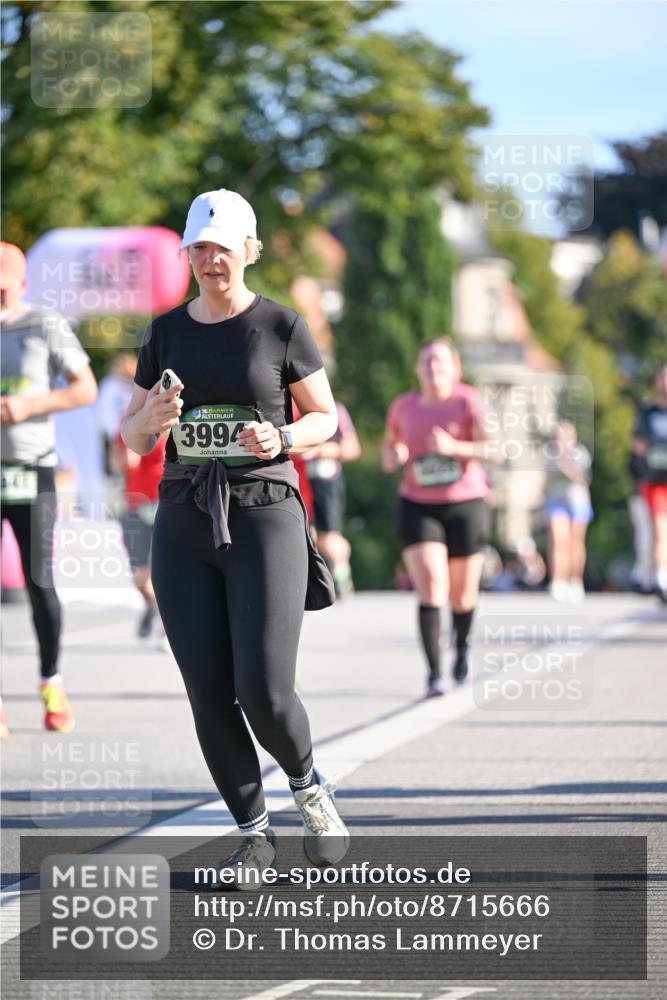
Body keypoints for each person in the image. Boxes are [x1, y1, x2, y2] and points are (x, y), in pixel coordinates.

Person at [120, 189, 349, 880]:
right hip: (184, 516)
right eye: (198, 247)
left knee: (264, 689)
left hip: (263, 513)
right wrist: (153, 416)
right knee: (207, 689)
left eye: (222, 247)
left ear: (248, 251)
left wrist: (279, 433)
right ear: (187, 254)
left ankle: (308, 786)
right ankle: (252, 834)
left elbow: (326, 419)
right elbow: (131, 438)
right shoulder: (163, 331)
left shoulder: (281, 326)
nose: (209, 259)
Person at [0, 241, 98, 736]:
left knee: (40, 583)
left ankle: (50, 683)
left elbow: (86, 388)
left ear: (21, 284)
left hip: (31, 468)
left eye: (3, 288)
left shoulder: (43, 324)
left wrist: (30, 406)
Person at [382, 337, 497, 698]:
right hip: (418, 502)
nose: (434, 369)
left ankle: (461, 646)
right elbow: (389, 450)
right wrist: (395, 454)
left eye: (440, 363)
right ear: (418, 369)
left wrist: (454, 448)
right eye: (427, 362)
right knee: (432, 583)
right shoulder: (403, 406)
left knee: (463, 596)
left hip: (466, 501)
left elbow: (494, 448)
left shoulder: (468, 401)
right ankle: (434, 673)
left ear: (455, 368)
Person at [111, 422, 167, 641]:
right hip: (136, 504)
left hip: (165, 502)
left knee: (165, 571)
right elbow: (121, 461)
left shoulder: (173, 423)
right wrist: (125, 455)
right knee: (139, 575)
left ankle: (166, 625)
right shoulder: (128, 424)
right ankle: (152, 607)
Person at [306, 400, 361, 597]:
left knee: (328, 538)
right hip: (297, 479)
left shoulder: (334, 408)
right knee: (305, 534)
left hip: (325, 481)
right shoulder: (286, 404)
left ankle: (341, 574)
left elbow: (352, 448)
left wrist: (318, 451)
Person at [544, 421, 593, 603]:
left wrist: (563, 460)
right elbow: (546, 480)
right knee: (558, 541)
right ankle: (558, 581)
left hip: (577, 502)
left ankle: (575, 580)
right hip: (556, 502)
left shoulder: (580, 453)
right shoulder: (549, 454)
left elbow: (581, 478)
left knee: (575, 543)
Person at [632, 364, 667, 603]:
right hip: (656, 480)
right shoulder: (647, 413)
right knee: (659, 528)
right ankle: (661, 577)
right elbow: (637, 444)